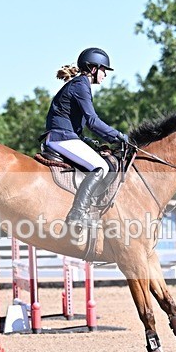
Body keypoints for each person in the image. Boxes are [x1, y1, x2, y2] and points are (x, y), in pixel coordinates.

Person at [44, 47, 129, 225]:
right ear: (93, 69)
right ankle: (77, 213)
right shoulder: (81, 85)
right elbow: (93, 121)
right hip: (62, 137)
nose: (105, 74)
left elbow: (75, 122)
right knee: (100, 167)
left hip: (65, 135)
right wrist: (118, 136)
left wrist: (86, 140)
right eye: (103, 70)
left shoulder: (80, 84)